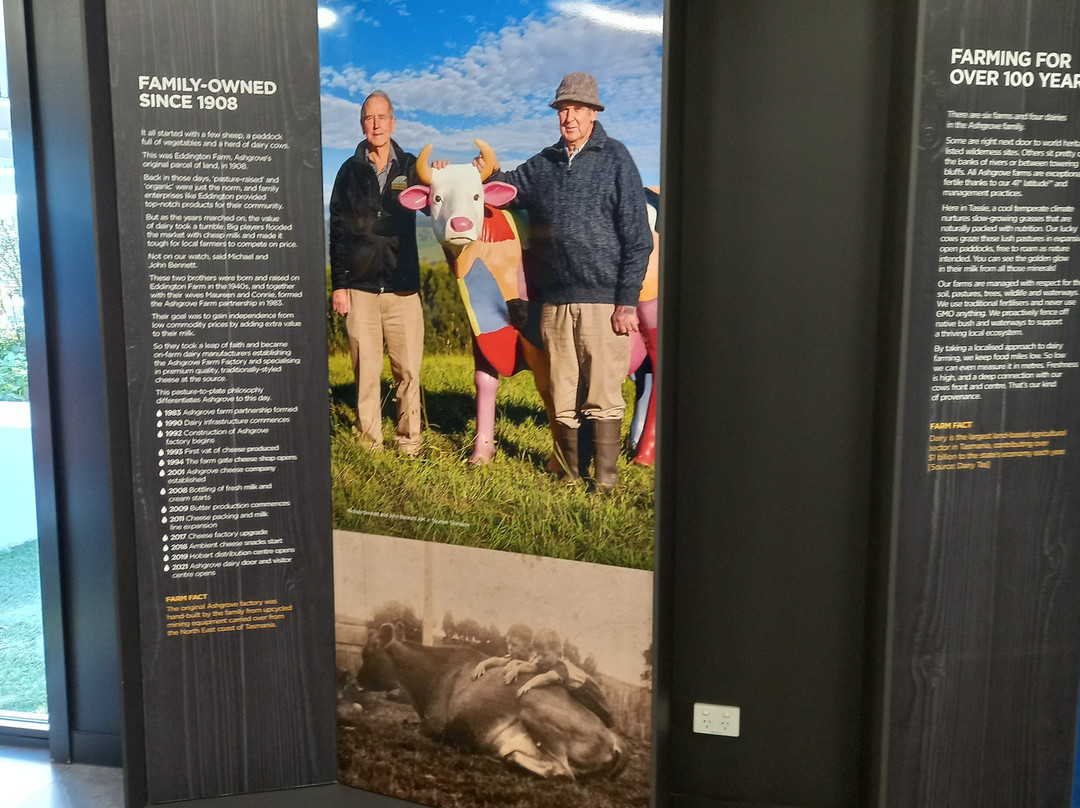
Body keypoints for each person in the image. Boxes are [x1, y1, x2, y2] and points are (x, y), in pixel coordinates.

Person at [482, 72, 653, 490]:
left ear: (593, 113)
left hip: (604, 303)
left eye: (577, 108)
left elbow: (638, 237)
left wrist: (626, 301)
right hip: (555, 305)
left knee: (603, 395)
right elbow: (503, 188)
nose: (568, 117)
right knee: (563, 394)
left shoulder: (616, 158)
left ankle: (605, 482)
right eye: (562, 109)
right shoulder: (544, 164)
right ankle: (571, 477)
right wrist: (476, 174)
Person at [329, 90, 424, 455]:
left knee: (408, 371)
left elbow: (434, 205)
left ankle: (409, 441)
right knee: (366, 371)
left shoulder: (412, 167)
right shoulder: (348, 171)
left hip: (403, 287)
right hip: (361, 288)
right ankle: (370, 442)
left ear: (393, 123)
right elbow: (337, 230)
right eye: (369, 118)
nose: (376, 124)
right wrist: (340, 285)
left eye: (382, 117)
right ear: (362, 124)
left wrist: (440, 175)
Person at [515, 627, 613, 727]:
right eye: (538, 654)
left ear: (558, 654)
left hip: (587, 691)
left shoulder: (562, 667)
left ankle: (608, 724)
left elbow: (546, 678)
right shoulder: (548, 662)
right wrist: (517, 668)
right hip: (575, 689)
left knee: (599, 712)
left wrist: (528, 685)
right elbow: (533, 667)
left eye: (544, 655)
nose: (540, 658)